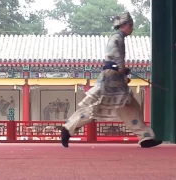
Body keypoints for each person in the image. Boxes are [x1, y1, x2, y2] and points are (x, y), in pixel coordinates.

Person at [60, 12, 162, 148]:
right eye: (131, 25)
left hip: (115, 77)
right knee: (99, 107)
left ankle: (145, 137)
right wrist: (121, 68)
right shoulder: (116, 38)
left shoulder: (119, 38)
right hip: (112, 77)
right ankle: (68, 128)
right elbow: (113, 55)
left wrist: (123, 73)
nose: (132, 28)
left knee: (128, 106)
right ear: (124, 25)